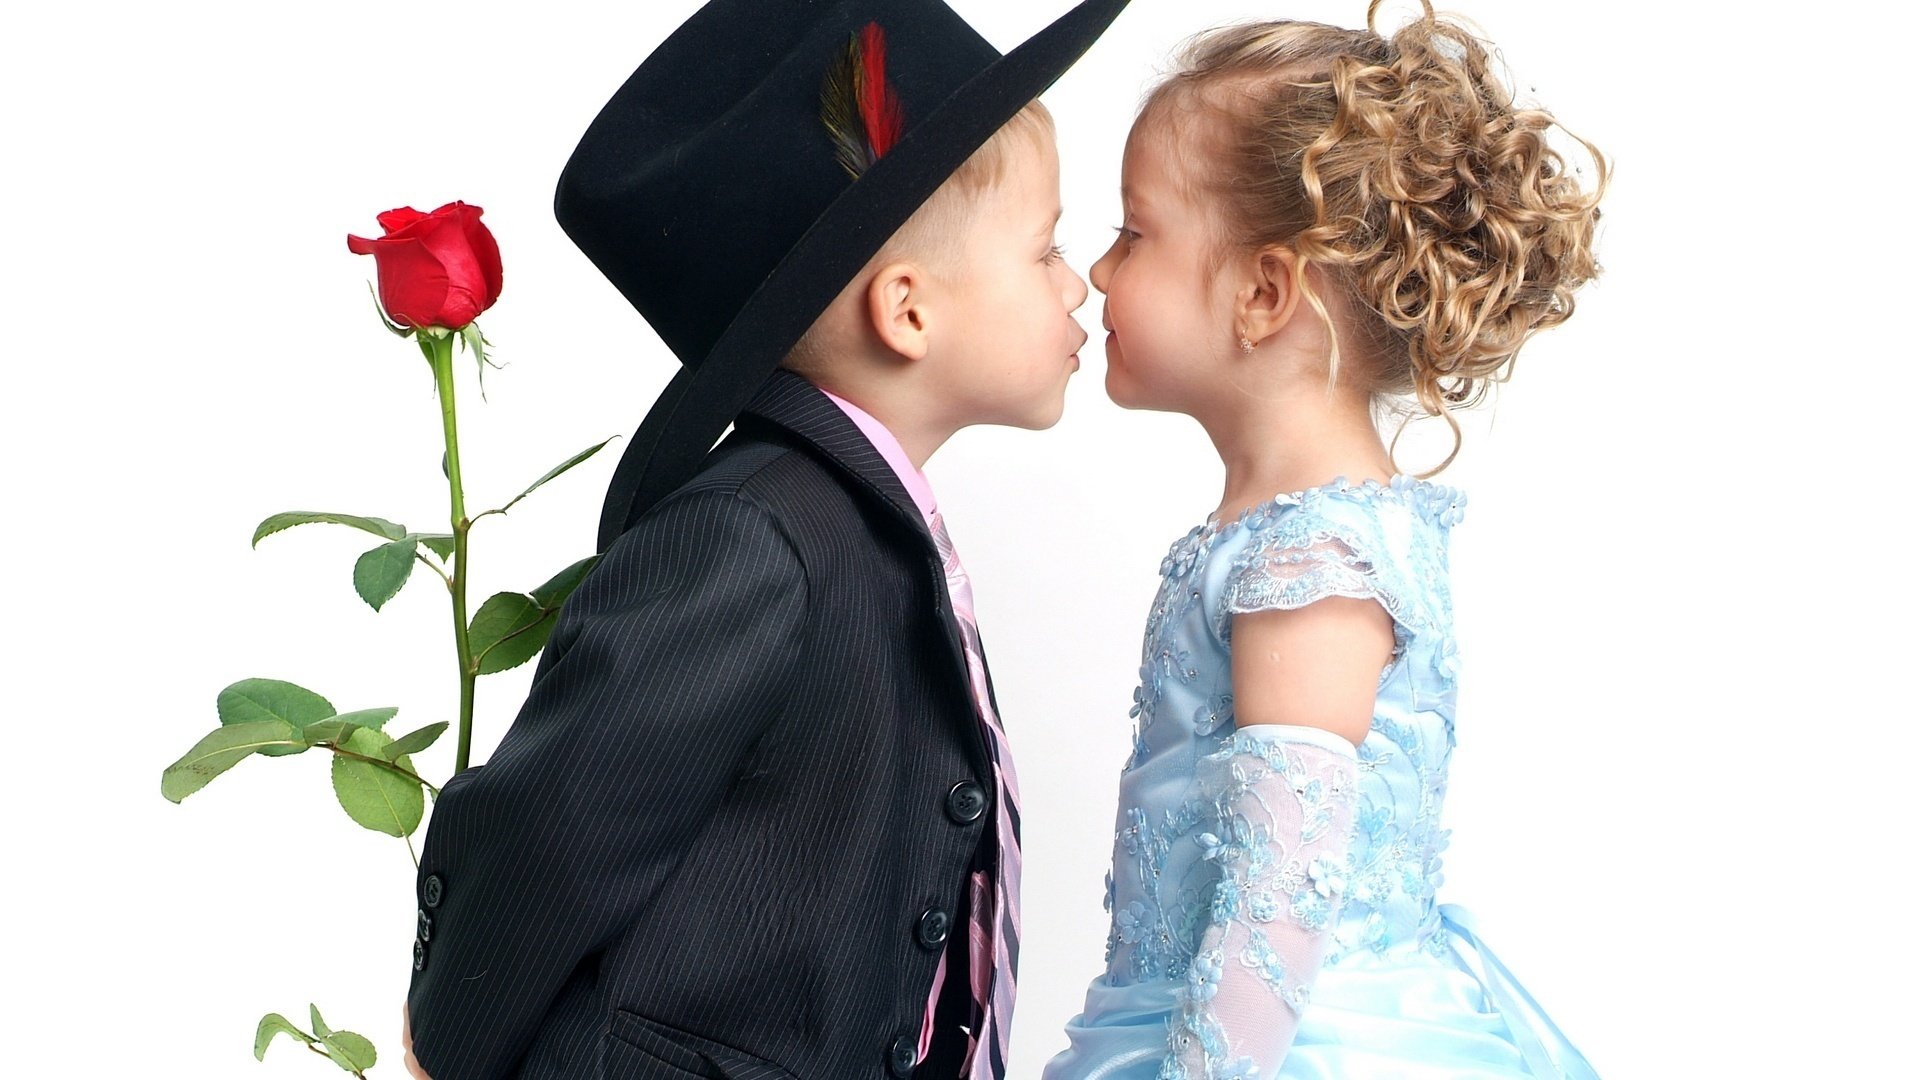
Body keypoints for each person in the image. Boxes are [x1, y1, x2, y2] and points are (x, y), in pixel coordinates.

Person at [398, 1, 1129, 1077]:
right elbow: (556, 826)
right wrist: (451, 1046)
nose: (1079, 281)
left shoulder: (862, 526)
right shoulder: (752, 538)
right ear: (908, 311)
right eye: (1046, 249)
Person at [1042, 3, 1606, 1077]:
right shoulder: (1296, 533)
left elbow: (1279, 902)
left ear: (1263, 292)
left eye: (1135, 233)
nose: (1102, 273)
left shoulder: (1311, 561)